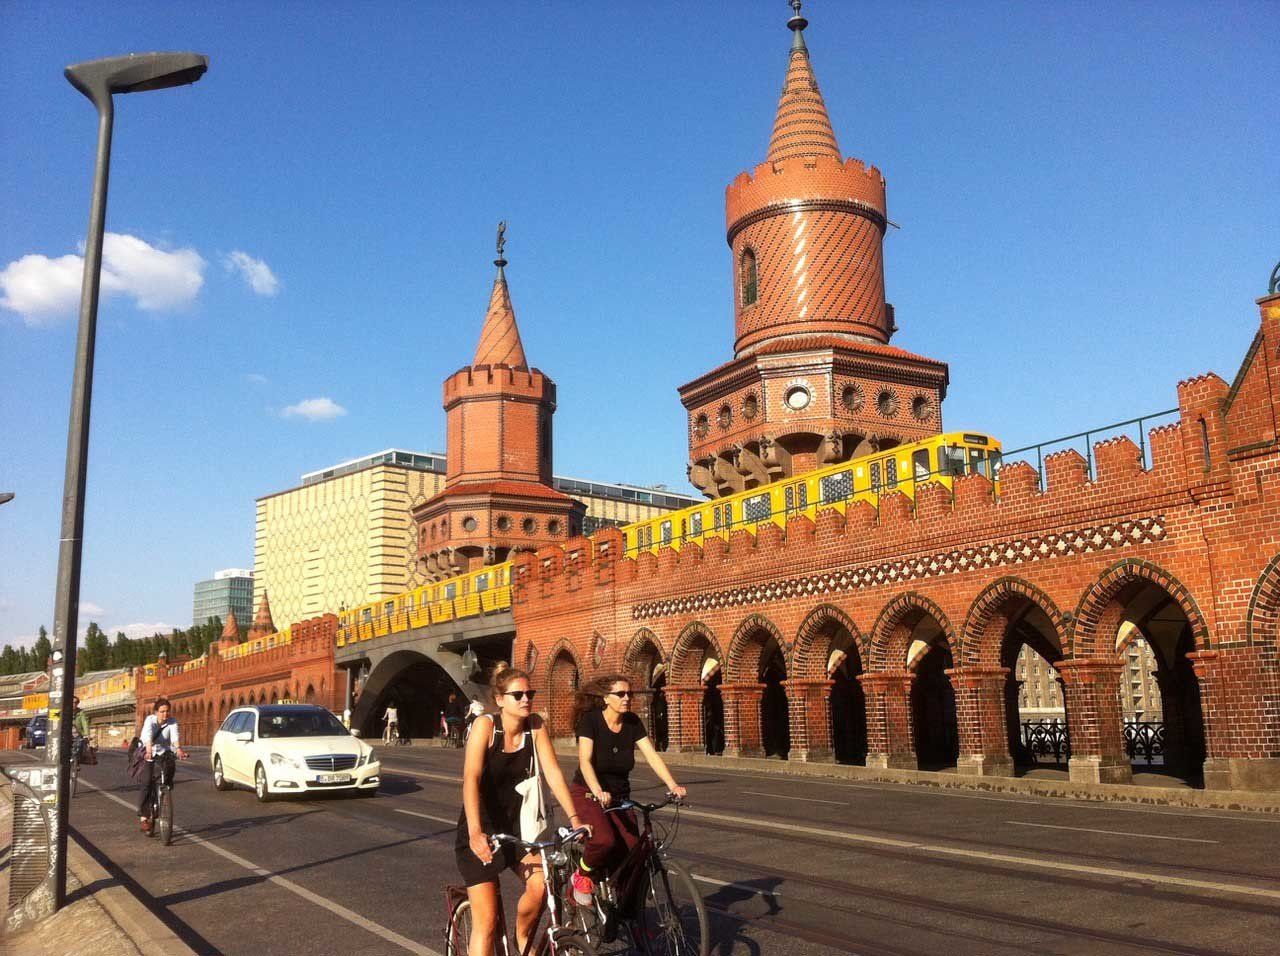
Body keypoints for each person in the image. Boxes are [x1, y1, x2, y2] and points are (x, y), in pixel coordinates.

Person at [456, 667, 584, 956]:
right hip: (481, 830)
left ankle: (521, 935)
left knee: (541, 885)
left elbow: (553, 773)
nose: (526, 699)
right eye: (518, 695)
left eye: (529, 693)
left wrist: (575, 818)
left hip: (519, 829)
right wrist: (475, 833)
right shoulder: (486, 727)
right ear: (500, 700)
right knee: (487, 923)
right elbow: (471, 779)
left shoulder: (535, 726)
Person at [569, 674, 687, 905]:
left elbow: (652, 756)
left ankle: (627, 912)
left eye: (629, 694)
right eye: (621, 694)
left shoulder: (632, 722)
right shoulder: (591, 721)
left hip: (620, 796)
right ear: (606, 698)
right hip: (588, 792)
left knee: (634, 853)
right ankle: (582, 874)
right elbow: (585, 761)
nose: (627, 698)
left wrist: (673, 785)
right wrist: (598, 790)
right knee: (604, 840)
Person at [136, 698, 187, 834]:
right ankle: (144, 817)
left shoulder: (172, 721)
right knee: (147, 782)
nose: (165, 714)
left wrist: (179, 750)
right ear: (156, 712)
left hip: (163, 751)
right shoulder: (150, 720)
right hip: (148, 751)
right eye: (162, 711)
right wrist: (148, 751)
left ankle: (165, 792)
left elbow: (175, 737)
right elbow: (147, 736)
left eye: (167, 711)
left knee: (170, 767)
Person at [71, 695, 92, 763]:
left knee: (79, 745)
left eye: (76, 702)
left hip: (77, 733)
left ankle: (77, 760)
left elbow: (84, 723)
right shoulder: (65, 711)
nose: (74, 704)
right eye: (72, 702)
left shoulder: (81, 712)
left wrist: (87, 734)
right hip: (67, 733)